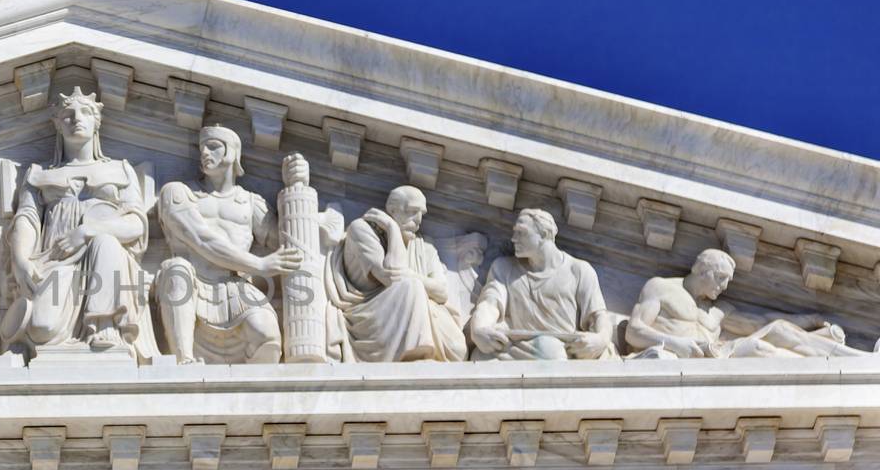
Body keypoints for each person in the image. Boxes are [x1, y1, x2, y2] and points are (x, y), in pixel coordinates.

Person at [0, 87, 157, 362]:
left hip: (108, 261)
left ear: (97, 121)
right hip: (54, 259)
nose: (76, 119)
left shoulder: (121, 170)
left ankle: (105, 325)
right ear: (57, 125)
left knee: (105, 242)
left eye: (85, 112)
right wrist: (20, 259)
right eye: (67, 115)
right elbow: (27, 219)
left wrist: (87, 232)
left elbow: (136, 225)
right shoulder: (38, 174)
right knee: (42, 327)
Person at [156, 125, 301, 364]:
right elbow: (201, 238)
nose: (204, 153)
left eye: (213, 147)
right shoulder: (178, 193)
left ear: (232, 153)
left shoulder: (251, 203)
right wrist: (260, 264)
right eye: (202, 147)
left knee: (268, 338)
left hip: (236, 288)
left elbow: (288, 242)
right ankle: (184, 361)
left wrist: (298, 187)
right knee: (176, 269)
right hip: (191, 285)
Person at [626, 248, 868, 358]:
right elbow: (634, 331)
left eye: (728, 281)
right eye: (720, 278)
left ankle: (859, 361)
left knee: (779, 329)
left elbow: (760, 322)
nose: (725, 287)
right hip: (689, 358)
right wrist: (676, 344)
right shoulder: (662, 287)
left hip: (718, 354)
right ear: (700, 269)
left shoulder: (719, 310)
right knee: (759, 350)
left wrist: (812, 319)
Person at [327, 186, 467, 361]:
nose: (418, 221)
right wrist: (392, 229)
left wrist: (408, 275)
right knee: (411, 287)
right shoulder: (361, 230)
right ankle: (416, 355)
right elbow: (391, 274)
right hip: (369, 315)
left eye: (421, 213)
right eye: (412, 211)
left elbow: (441, 292)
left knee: (458, 348)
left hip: (413, 308)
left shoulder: (425, 249)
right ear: (392, 210)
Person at [469, 208, 613, 361]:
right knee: (480, 356)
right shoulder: (503, 268)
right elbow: (489, 305)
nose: (513, 239)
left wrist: (601, 340)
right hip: (512, 349)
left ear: (544, 235)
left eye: (521, 233)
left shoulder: (578, 270)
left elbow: (598, 316)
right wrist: (478, 329)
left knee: (549, 350)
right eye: (515, 232)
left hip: (561, 350)